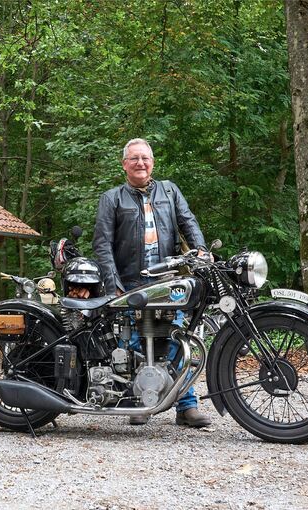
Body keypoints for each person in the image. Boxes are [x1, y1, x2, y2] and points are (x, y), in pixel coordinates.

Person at [92, 138, 211, 428]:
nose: (140, 163)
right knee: (134, 341)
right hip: (131, 281)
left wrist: (201, 251)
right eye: (134, 159)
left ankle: (186, 405)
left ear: (152, 162)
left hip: (168, 280)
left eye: (145, 158)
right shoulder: (112, 198)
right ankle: (137, 401)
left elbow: (188, 222)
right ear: (124, 165)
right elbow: (103, 243)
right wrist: (113, 285)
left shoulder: (169, 191)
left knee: (177, 338)